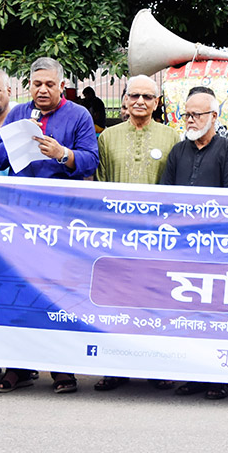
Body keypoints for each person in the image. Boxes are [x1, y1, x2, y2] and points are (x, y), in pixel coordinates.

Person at [0, 57, 99, 394]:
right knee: (20, 291)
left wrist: (62, 153)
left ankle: (62, 368)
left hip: (62, 220)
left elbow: (91, 159)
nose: (42, 90)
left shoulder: (78, 115)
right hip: (22, 218)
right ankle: (18, 368)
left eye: (50, 84)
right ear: (29, 85)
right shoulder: (19, 113)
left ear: (61, 85)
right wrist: (12, 143)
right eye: (37, 84)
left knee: (60, 294)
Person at [92, 75, 179, 393]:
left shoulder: (171, 137)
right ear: (125, 100)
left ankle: (156, 366)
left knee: (155, 302)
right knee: (116, 303)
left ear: (157, 103)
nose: (141, 101)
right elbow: (99, 184)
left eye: (148, 96)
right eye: (135, 95)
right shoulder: (107, 138)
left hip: (158, 238)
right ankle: (115, 368)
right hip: (118, 237)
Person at [161, 91, 228, 400]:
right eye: (187, 115)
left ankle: (219, 378)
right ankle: (194, 374)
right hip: (183, 250)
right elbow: (165, 197)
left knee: (216, 315)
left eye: (198, 115)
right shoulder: (178, 151)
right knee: (188, 314)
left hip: (216, 250)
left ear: (214, 117)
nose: (191, 120)